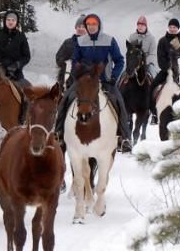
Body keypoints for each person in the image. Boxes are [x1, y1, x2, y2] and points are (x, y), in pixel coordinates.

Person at [55, 12, 133, 153]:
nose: (91, 27)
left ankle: (125, 138)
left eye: (94, 24)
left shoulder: (109, 40)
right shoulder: (80, 41)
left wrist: (114, 76)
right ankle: (58, 133)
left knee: (119, 101)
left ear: (99, 25)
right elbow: (75, 61)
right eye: (88, 24)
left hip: (105, 80)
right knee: (65, 99)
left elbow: (120, 61)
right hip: (84, 81)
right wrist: (77, 75)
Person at [0, 10, 31, 83]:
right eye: (8, 20)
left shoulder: (21, 36)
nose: (10, 22)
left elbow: (26, 56)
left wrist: (17, 65)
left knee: (25, 88)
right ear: (4, 20)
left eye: (13, 20)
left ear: (16, 22)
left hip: (15, 73)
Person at [153, 18, 180, 89]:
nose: (172, 29)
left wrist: (179, 47)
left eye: (174, 27)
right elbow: (161, 59)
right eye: (170, 27)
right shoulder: (162, 41)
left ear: (178, 28)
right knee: (153, 85)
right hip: (167, 71)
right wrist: (170, 68)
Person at [55, 16, 86, 87]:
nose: (81, 29)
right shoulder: (68, 42)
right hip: (67, 79)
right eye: (79, 26)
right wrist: (66, 64)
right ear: (76, 28)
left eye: (83, 27)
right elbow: (58, 57)